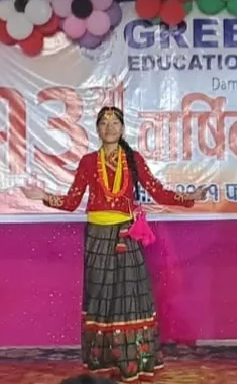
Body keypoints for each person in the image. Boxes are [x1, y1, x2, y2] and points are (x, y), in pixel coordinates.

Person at [22, 106, 207, 383]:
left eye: (114, 122)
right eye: (104, 123)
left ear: (122, 128)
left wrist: (188, 198)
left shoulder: (133, 159)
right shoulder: (88, 162)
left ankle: (132, 361)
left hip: (126, 235)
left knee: (131, 298)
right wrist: (43, 196)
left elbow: (156, 191)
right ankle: (103, 362)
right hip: (97, 237)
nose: (109, 127)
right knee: (101, 298)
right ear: (97, 129)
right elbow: (72, 202)